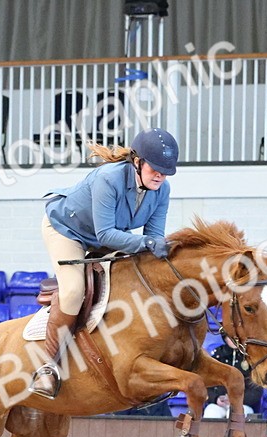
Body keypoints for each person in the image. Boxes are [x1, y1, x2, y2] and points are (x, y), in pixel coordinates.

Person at [29, 128, 179, 399]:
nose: (160, 176)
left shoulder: (162, 190)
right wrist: (148, 243)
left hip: (107, 235)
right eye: (155, 169)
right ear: (137, 161)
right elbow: (106, 235)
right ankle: (47, 368)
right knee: (73, 291)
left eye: (165, 172)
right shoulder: (108, 178)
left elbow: (154, 236)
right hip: (67, 230)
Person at [210, 341, 264, 409]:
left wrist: (238, 400)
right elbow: (206, 384)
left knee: (240, 412)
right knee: (211, 411)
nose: (234, 340)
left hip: (244, 404)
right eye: (230, 337)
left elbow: (256, 390)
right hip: (219, 404)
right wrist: (215, 398)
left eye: (237, 337)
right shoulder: (217, 355)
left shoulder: (251, 357)